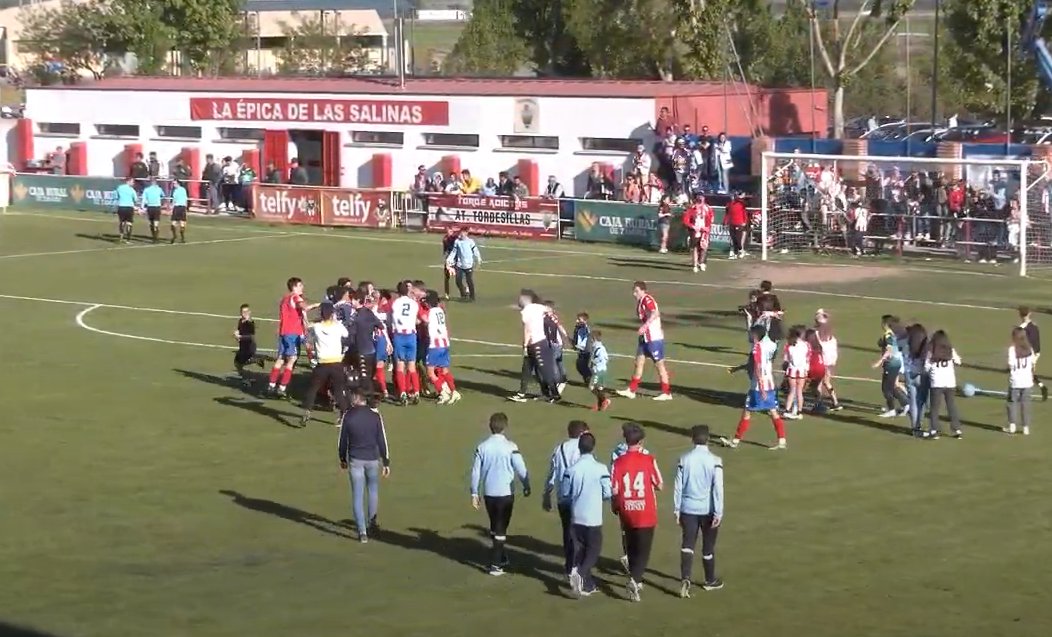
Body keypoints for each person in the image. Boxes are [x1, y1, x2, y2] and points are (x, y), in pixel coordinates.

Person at [470, 413, 531, 576]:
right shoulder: (511, 447)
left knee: (494, 524)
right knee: (501, 527)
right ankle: (496, 564)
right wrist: (526, 485)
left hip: (489, 493)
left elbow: (475, 472)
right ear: (505, 427)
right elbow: (521, 468)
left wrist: (474, 493)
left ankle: (501, 555)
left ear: (490, 426)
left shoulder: (482, 447)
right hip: (505, 493)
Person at [610, 423, 662, 602]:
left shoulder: (617, 462)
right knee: (644, 549)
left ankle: (635, 577)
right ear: (641, 442)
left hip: (626, 509)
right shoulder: (649, 459)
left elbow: (614, 489)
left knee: (631, 545)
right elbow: (659, 484)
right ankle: (635, 579)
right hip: (645, 510)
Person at [674, 425, 725, 598]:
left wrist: (676, 508)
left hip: (688, 509)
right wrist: (719, 511)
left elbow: (678, 486)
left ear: (692, 439)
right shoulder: (715, 460)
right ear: (708, 438)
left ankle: (685, 578)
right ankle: (710, 580)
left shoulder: (684, 459)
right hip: (708, 510)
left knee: (687, 544)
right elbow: (718, 488)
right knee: (708, 547)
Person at [560, 432, 611, 598]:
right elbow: (607, 493)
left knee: (580, 550)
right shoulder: (601, 469)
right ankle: (579, 573)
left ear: (579, 448)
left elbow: (565, 493)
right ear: (593, 447)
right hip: (593, 518)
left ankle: (587, 585)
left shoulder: (571, 470)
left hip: (576, 517)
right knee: (594, 550)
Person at [721, 324, 787, 450]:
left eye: (752, 333)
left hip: (758, 386)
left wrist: (761, 388)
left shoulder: (757, 348)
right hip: (770, 383)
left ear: (756, 335)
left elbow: (757, 367)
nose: (750, 335)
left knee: (747, 413)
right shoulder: (770, 346)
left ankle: (735, 441)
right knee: (773, 411)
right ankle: (782, 440)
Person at [337, 389, 390, 543]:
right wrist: (386, 461)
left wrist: (342, 458)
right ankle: (372, 523)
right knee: (373, 491)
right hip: (372, 459)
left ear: (355, 399)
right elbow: (382, 439)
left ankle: (362, 532)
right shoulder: (375, 416)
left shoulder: (348, 416)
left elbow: (343, 441)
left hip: (355, 460)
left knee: (357, 495)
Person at [542, 420, 589, 579]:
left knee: (568, 533)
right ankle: (580, 569)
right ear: (582, 433)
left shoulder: (559, 448)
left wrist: (547, 495)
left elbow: (552, 473)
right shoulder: (585, 448)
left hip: (563, 496)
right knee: (583, 534)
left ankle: (570, 567)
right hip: (581, 497)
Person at [617, 281, 672, 401]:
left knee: (659, 365)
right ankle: (631, 390)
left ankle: (666, 393)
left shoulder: (647, 300)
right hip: (645, 339)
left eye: (636, 291)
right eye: (634, 291)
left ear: (643, 290)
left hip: (653, 339)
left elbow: (655, 313)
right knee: (638, 363)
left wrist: (645, 326)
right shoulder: (640, 302)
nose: (634, 293)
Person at [267, 277, 317, 398]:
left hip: (283, 332)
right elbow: (304, 307)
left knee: (280, 359)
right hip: (293, 334)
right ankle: (282, 387)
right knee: (292, 359)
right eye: (300, 285)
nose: (302, 287)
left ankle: (271, 385)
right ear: (294, 287)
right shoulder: (295, 297)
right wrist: (318, 304)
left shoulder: (284, 299)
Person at [300, 303, 350, 426]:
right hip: (336, 362)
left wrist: (304, 315)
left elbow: (307, 331)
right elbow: (346, 335)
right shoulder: (338, 327)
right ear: (332, 314)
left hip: (322, 363)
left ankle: (307, 411)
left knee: (313, 389)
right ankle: (343, 414)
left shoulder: (317, 327)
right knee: (339, 390)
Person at [518, 289, 561, 403]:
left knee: (544, 370)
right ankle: (545, 393)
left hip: (536, 344)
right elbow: (548, 310)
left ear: (526, 299)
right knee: (537, 370)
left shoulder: (526, 311)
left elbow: (527, 330)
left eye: (521, 298)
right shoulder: (538, 307)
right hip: (542, 342)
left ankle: (554, 395)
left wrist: (525, 345)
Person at [424, 290, 461, 405]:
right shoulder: (440, 311)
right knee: (444, 370)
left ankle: (443, 392)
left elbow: (425, 322)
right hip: (444, 343)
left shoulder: (430, 312)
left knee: (430, 372)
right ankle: (454, 391)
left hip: (435, 345)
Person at [925, 330, 963, 439]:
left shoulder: (931, 351)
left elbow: (926, 367)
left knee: (934, 408)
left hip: (936, 383)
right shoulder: (950, 350)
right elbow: (959, 361)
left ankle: (934, 431)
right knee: (951, 406)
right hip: (950, 382)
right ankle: (957, 429)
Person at [348, 293, 385, 400]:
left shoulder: (356, 317)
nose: (351, 302)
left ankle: (367, 400)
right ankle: (371, 398)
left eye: (353, 300)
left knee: (363, 378)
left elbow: (351, 335)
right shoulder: (369, 313)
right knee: (369, 376)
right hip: (371, 351)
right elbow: (380, 325)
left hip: (361, 350)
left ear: (357, 301)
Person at [390, 281, 421, 405]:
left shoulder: (395, 303)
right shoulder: (414, 303)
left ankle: (402, 392)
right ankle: (416, 391)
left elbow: (393, 318)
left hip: (399, 335)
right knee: (412, 366)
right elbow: (415, 319)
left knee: (400, 366)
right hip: (411, 335)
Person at [872, 315, 909, 418]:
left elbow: (889, 350)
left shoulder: (888, 335)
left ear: (885, 324)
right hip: (896, 363)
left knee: (886, 388)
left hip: (891, 364)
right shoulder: (892, 334)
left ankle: (892, 409)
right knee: (892, 386)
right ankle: (906, 404)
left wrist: (879, 362)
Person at [1005, 326, 1036, 435]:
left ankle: (1012, 425)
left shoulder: (1012, 350)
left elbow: (1010, 365)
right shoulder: (1029, 349)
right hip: (1027, 381)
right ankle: (1025, 427)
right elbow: (1033, 364)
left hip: (1015, 381)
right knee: (1025, 404)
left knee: (1012, 402)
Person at [903, 323, 930, 435]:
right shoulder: (925, 345)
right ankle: (919, 424)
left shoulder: (907, 344)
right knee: (921, 401)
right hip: (921, 375)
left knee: (913, 401)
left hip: (909, 374)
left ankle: (915, 428)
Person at [1018, 306, 1048, 401]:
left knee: (1025, 374)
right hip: (1036, 352)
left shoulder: (1022, 328)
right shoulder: (1035, 326)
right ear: (1029, 313)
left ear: (1019, 314)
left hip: (1029, 354)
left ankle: (1026, 392)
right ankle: (1042, 387)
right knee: (1029, 373)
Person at [446, 228, 482, 302]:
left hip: (468, 265)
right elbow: (454, 252)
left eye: (462, 233)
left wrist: (478, 258)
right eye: (460, 233)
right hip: (460, 265)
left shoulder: (470, 242)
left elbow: (475, 250)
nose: (461, 234)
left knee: (469, 281)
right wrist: (449, 259)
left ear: (466, 233)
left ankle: (472, 297)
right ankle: (463, 294)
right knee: (458, 281)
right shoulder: (457, 242)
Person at [782, 326, 810, 420]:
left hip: (792, 370)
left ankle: (787, 410)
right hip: (802, 371)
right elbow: (808, 358)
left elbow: (786, 360)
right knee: (799, 392)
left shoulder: (788, 345)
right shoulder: (806, 345)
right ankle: (799, 411)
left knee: (792, 391)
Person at [233, 304, 264, 385]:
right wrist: (237, 333)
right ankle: (245, 377)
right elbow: (240, 331)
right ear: (240, 313)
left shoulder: (250, 323)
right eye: (243, 312)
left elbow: (250, 337)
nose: (245, 313)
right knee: (237, 364)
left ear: (250, 312)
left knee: (239, 363)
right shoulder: (240, 321)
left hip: (249, 347)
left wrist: (240, 336)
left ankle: (246, 379)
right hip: (243, 347)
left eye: (247, 311)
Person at [683, 194, 714, 273]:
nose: (700, 202)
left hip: (704, 231)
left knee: (704, 247)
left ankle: (702, 262)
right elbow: (686, 221)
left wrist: (707, 227)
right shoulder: (691, 209)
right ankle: (695, 264)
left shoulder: (707, 208)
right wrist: (693, 226)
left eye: (702, 199)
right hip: (695, 231)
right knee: (695, 248)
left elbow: (710, 219)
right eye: (699, 199)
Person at [588, 330, 610, 411]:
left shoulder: (599, 348)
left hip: (599, 371)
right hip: (601, 370)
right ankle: (600, 405)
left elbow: (604, 358)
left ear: (594, 339)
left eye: (590, 339)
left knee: (591, 387)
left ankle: (604, 401)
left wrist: (594, 362)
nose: (589, 340)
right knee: (599, 388)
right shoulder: (597, 347)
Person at [139, 177, 165, 243]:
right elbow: (163, 196)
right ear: (156, 183)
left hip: (150, 207)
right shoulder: (159, 189)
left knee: (151, 223)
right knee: (156, 223)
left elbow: (144, 199)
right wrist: (161, 202)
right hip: (157, 207)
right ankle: (156, 238)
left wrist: (142, 207)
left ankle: (154, 237)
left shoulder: (146, 190)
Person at [572, 312, 593, 385]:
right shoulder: (578, 327)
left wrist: (584, 324)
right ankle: (588, 379)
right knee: (580, 366)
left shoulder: (586, 327)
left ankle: (590, 377)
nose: (577, 321)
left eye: (579, 319)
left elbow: (587, 329)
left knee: (582, 365)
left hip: (586, 350)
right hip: (581, 350)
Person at [114, 177, 137, 243]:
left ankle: (121, 236)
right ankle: (128, 239)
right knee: (129, 223)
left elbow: (116, 196)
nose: (133, 183)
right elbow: (135, 199)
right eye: (132, 182)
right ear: (128, 181)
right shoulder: (131, 189)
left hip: (121, 207)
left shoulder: (119, 188)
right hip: (129, 207)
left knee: (122, 222)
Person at [726, 192, 749, 259]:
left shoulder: (741, 204)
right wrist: (726, 222)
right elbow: (728, 214)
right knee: (733, 239)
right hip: (731, 223)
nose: (732, 198)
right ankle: (735, 254)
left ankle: (741, 251)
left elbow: (744, 212)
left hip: (739, 223)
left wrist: (744, 222)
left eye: (734, 196)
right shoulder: (729, 204)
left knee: (738, 240)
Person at [442, 227, 459, 300]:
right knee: (447, 277)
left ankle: (465, 289)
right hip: (449, 259)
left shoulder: (455, 238)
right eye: (449, 231)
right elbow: (446, 249)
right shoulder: (445, 239)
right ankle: (446, 293)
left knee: (459, 276)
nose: (450, 232)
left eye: (452, 231)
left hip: (456, 259)